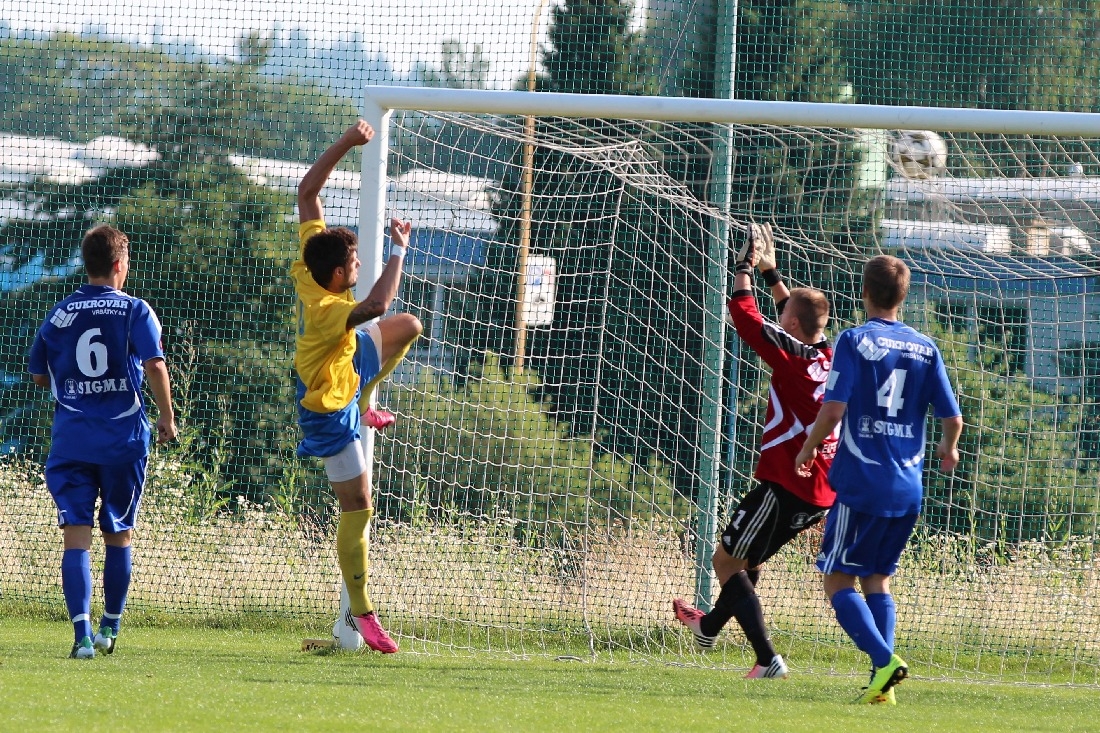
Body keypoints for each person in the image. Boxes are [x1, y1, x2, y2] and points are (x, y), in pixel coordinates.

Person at [794, 254, 962, 704]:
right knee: (877, 579)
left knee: (835, 579)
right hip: (908, 488)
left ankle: (885, 661)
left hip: (862, 482)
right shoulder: (927, 347)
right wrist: (948, 448)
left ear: (863, 292)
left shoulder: (854, 339)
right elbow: (953, 418)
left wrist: (808, 448)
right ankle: (880, 683)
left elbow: (833, 410)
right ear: (903, 296)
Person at [674, 222, 837, 679]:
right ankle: (708, 627)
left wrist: (745, 265)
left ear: (791, 328)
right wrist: (772, 273)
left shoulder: (795, 362)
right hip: (820, 491)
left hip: (787, 482)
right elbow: (794, 315)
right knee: (748, 562)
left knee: (724, 561)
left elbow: (745, 316)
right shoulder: (826, 354)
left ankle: (768, 660)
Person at [293, 119, 422, 653]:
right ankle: (364, 615)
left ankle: (370, 402)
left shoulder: (310, 261)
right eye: (353, 263)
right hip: (327, 407)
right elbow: (374, 306)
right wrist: (398, 251)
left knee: (410, 327)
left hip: (353, 370)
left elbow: (307, 191)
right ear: (337, 277)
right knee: (359, 506)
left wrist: (347, 141)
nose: (357, 263)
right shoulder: (328, 309)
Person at [28, 224, 178, 659]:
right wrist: (166, 417)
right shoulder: (135, 310)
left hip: (72, 440)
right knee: (119, 533)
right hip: (123, 439)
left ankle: (80, 638)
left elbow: (39, 375)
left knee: (75, 536)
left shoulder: (59, 314)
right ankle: (109, 628)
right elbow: (154, 364)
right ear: (119, 265)